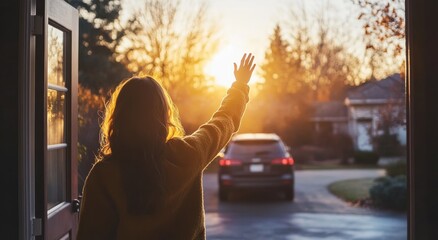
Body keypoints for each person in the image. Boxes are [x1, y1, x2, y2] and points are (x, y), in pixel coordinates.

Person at [77, 53, 256, 239]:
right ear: (164, 115)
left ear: (119, 117)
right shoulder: (189, 153)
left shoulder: (104, 174)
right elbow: (223, 121)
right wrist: (240, 86)